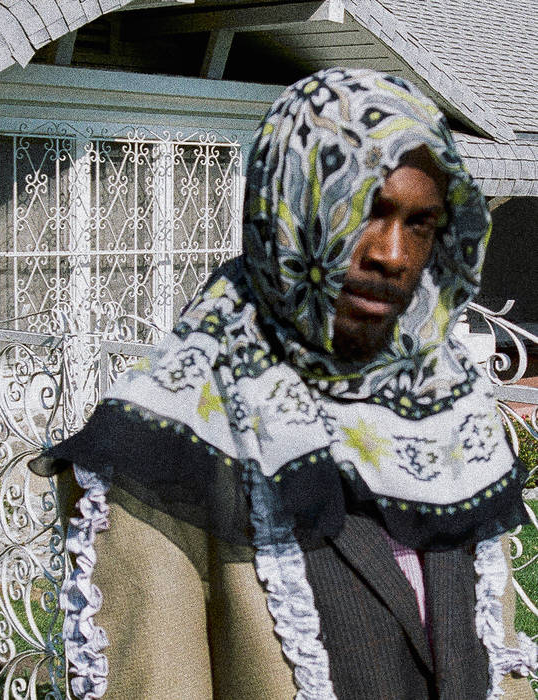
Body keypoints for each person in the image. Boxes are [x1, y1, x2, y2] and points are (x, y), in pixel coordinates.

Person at [31, 68, 537, 699]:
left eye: (420, 223)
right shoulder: (162, 449)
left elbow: (496, 655)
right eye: (363, 210)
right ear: (288, 208)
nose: (391, 254)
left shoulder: (451, 409)